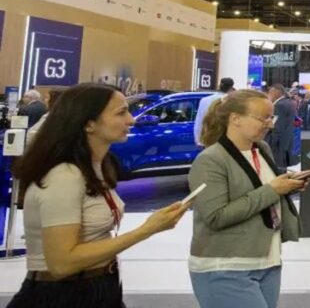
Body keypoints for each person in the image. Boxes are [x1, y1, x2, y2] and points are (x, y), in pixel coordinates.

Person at [9, 83, 188, 307]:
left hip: (97, 288)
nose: (131, 120)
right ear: (88, 123)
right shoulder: (65, 176)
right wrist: (147, 230)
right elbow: (62, 263)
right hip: (62, 296)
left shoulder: (96, 167)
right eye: (121, 113)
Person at [188, 89, 308, 308]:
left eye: (271, 118)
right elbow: (216, 216)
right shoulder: (210, 160)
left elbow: (259, 190)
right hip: (225, 266)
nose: (270, 124)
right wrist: (273, 189)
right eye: (263, 118)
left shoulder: (261, 149)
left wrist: (288, 185)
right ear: (235, 118)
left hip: (267, 261)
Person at [265, 84, 296, 173]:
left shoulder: (279, 105)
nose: (268, 95)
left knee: (276, 169)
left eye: (270, 92)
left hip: (277, 144)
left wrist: (270, 142)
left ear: (276, 92)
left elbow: (276, 126)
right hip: (285, 142)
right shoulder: (289, 103)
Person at [196, 78, 234, 146]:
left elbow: (199, 121)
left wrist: (198, 140)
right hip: (226, 141)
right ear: (231, 88)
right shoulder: (232, 102)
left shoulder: (204, 100)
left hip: (208, 139)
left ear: (219, 86)